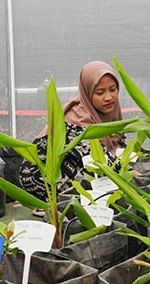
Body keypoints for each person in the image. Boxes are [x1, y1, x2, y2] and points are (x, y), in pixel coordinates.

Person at [20, 60, 125, 212]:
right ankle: (54, 207)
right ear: (87, 92)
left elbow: (118, 146)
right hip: (42, 182)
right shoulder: (78, 121)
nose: (108, 97)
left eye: (113, 89)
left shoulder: (108, 114)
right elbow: (103, 163)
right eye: (100, 93)